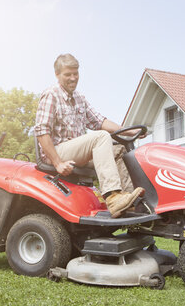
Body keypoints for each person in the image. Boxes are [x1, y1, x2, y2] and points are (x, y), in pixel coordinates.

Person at [34, 53, 145, 218]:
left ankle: (128, 202)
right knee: (100, 138)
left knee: (119, 150)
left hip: (76, 150)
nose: (73, 78)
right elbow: (42, 131)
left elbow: (99, 121)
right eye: (67, 74)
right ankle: (112, 196)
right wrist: (57, 163)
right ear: (57, 75)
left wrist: (130, 131)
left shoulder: (79, 98)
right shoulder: (51, 95)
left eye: (75, 73)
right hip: (58, 152)